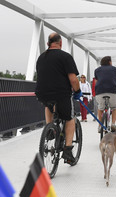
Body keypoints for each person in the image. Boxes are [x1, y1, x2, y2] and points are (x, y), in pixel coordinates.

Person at [35, 32, 82, 165]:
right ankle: (67, 151)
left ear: (47, 44)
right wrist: (77, 91)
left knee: (48, 104)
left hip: (42, 92)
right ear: (60, 43)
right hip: (61, 93)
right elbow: (73, 79)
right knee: (70, 118)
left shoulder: (41, 57)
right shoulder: (65, 57)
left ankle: (50, 129)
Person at [94, 56, 116, 132]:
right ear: (110, 62)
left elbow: (95, 82)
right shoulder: (115, 69)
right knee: (115, 107)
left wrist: (95, 93)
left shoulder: (97, 70)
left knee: (100, 108)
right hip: (112, 91)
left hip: (100, 92)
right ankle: (113, 124)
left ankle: (100, 125)